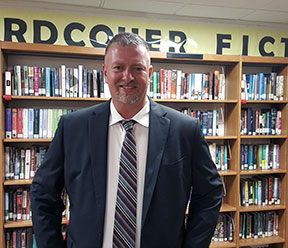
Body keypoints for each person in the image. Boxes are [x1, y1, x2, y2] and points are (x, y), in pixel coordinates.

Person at [31, 32, 223, 248]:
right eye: (118, 67)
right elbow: (43, 193)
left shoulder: (185, 130)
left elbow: (210, 193)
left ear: (149, 73)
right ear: (105, 72)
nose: (128, 77)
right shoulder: (72, 128)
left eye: (137, 68)